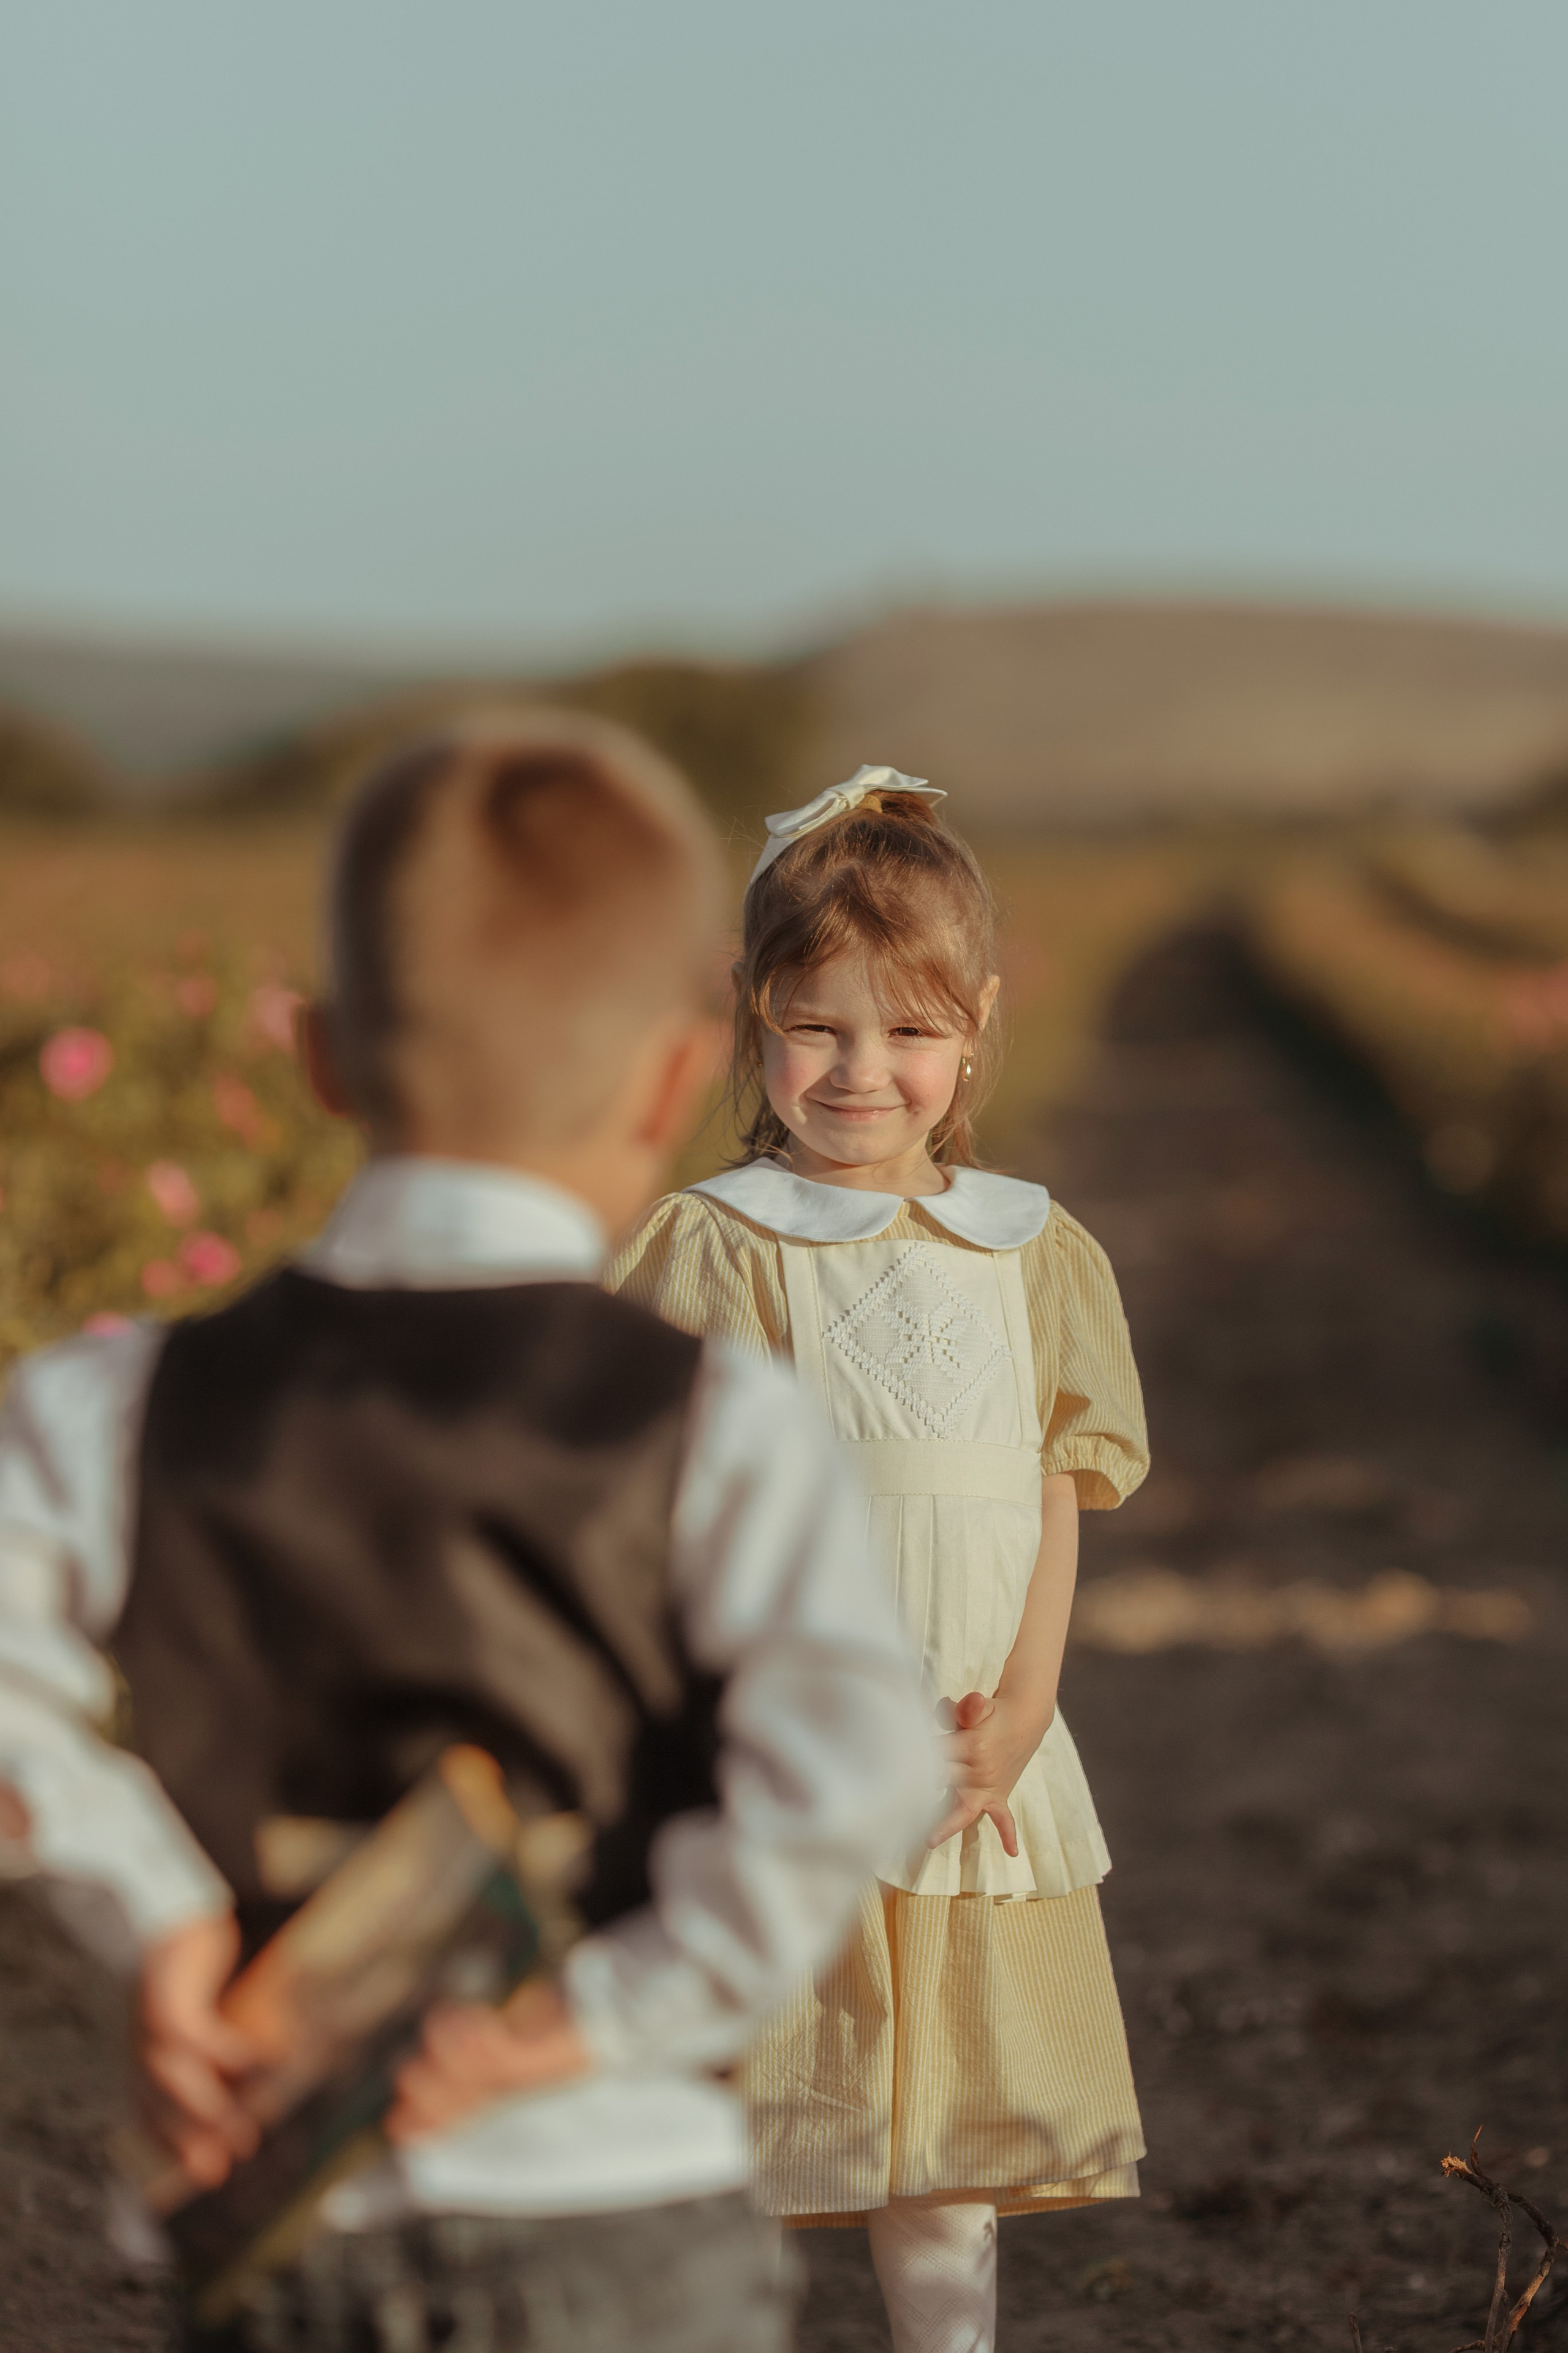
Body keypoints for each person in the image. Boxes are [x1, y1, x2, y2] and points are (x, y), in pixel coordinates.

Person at [0, 717, 936, 2353]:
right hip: (627, 2211)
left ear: (319, 1058)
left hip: (277, 2224)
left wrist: (151, 1915)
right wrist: (590, 2013)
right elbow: (860, 1770)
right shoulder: (725, 1422)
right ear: (666, 1078)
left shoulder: (118, 1404)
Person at [605, 765, 1149, 2353]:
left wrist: (1026, 1710)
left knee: (945, 2138)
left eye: (908, 1032)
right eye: (818, 1026)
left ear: (978, 1024)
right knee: (748, 2103)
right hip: (780, 1748)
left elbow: (1054, 1485)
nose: (861, 1071)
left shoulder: (1033, 1248)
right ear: (752, 1014)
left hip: (974, 1749)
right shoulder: (724, 1245)